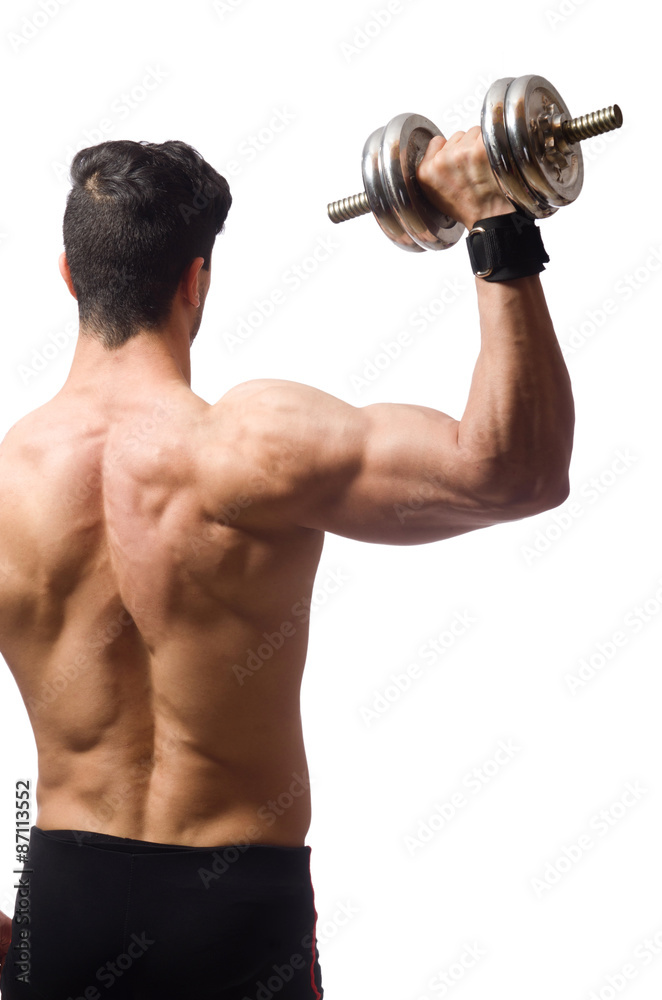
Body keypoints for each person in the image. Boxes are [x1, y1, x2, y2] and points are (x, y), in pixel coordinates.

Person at [0, 129, 574, 998]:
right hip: (233, 910)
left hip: (67, 909)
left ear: (71, 277)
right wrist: (496, 222)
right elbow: (517, 472)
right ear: (198, 279)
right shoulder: (251, 444)